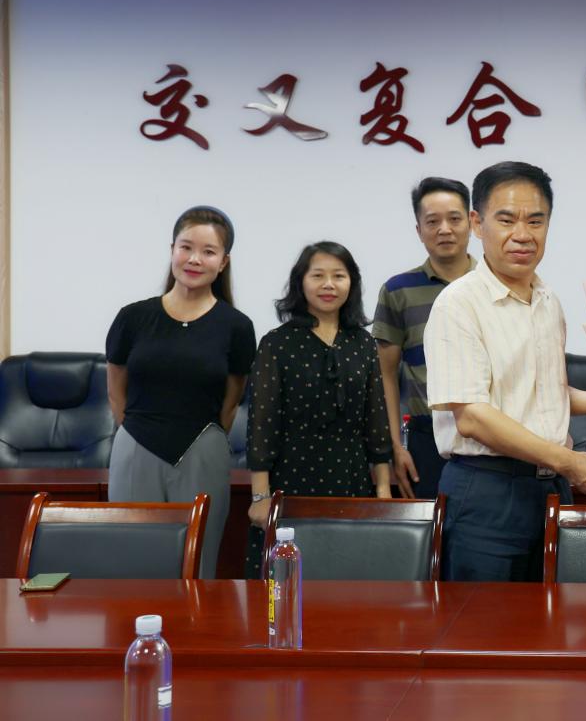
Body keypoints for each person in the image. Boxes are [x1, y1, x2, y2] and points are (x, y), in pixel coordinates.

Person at [424, 161, 586, 581]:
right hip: (487, 491)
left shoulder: (548, 300)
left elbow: (538, 392)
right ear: (477, 223)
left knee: (553, 616)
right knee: (485, 619)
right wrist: (570, 461)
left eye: (536, 221)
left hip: (551, 487)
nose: (523, 234)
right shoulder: (458, 303)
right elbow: (473, 416)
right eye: (507, 220)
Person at [106, 206, 256, 578]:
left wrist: (203, 441)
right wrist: (139, 431)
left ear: (223, 262)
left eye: (208, 251)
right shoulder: (132, 317)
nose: (194, 259)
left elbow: (231, 400)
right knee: (131, 565)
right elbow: (116, 388)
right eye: (186, 247)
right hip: (136, 446)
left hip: (202, 449)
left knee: (197, 566)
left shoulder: (236, 326)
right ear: (172, 249)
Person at [244, 242, 393, 578]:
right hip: (291, 474)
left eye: (338, 276)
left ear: (352, 283)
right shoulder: (276, 343)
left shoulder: (363, 343)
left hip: (351, 475)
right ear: (301, 282)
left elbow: (377, 418)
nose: (329, 284)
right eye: (318, 276)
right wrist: (260, 495)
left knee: (348, 574)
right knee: (287, 577)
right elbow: (262, 423)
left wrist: (383, 489)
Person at [373, 177, 476, 499]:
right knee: (431, 525)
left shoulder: (495, 284)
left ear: (472, 222)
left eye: (454, 219)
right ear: (419, 230)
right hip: (426, 435)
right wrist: (395, 447)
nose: (444, 229)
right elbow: (385, 375)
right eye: (433, 222)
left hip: (491, 431)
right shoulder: (398, 291)